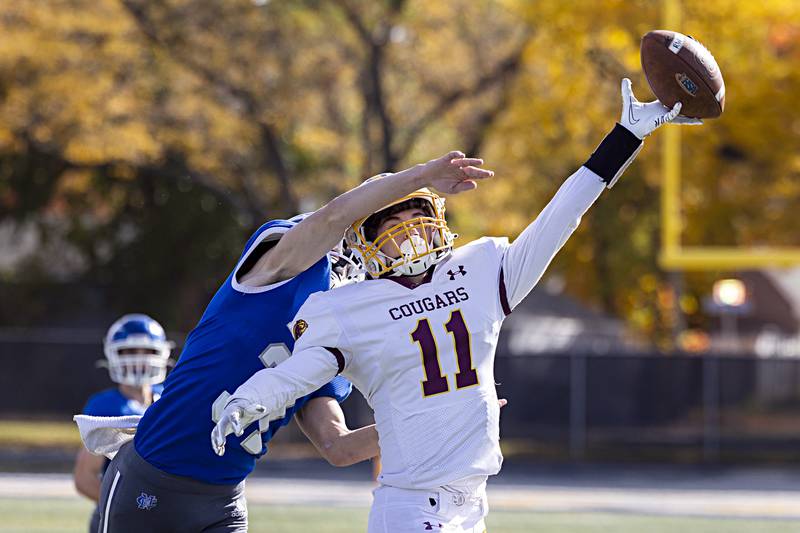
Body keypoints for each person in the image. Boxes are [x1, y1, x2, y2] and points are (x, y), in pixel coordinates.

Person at [212, 79, 703, 532]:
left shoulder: (482, 268)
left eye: (415, 211)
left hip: (472, 503)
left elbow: (561, 217)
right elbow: (300, 374)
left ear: (438, 217)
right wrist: (252, 398)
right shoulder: (347, 307)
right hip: (411, 506)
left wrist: (625, 138)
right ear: (363, 242)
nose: (406, 226)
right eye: (390, 219)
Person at [85, 151, 493, 533]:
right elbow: (333, 219)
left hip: (221, 500)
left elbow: (339, 447)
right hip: (153, 475)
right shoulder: (281, 267)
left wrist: (441, 417)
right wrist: (421, 176)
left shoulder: (339, 335)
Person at [73, 314, 172, 533]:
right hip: (122, 516)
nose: (139, 359)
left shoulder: (169, 399)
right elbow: (84, 476)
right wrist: (129, 508)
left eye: (147, 351)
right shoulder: (105, 406)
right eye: (129, 351)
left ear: (162, 353)